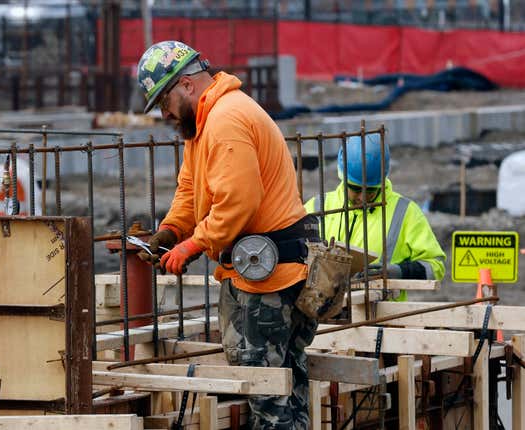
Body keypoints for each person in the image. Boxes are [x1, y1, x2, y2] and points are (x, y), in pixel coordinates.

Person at [136, 40, 319, 429]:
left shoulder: (226, 120)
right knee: (285, 386)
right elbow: (190, 190)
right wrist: (171, 230)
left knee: (266, 390)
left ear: (186, 85)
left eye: (164, 102)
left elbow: (239, 202)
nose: (165, 114)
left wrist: (194, 243)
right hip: (264, 272)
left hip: (267, 281)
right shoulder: (203, 125)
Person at [304, 134, 445, 300]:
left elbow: (436, 267)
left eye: (370, 190)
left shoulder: (405, 212)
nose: (363, 198)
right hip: (323, 317)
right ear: (342, 176)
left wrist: (399, 271)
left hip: (383, 318)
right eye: (356, 188)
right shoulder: (317, 207)